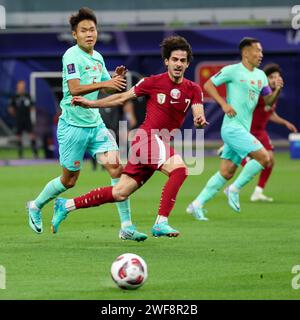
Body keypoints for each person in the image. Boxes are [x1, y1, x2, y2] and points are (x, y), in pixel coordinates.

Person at [51, 35, 207, 238]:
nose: (178, 64)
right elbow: (121, 98)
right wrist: (91, 103)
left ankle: (66, 205)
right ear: (166, 61)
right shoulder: (152, 82)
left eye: (182, 60)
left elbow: (198, 111)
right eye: (174, 59)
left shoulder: (193, 89)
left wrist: (199, 119)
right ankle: (161, 222)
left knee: (120, 192)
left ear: (187, 64)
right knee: (180, 170)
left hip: (158, 144)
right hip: (147, 138)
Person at [26, 7, 147, 242]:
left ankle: (126, 226)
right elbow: (75, 89)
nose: (89, 34)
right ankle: (36, 205)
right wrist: (106, 82)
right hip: (72, 126)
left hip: (95, 124)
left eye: (92, 29)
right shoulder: (71, 56)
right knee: (69, 181)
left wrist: (115, 80)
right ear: (75, 35)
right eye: (84, 30)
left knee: (116, 169)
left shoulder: (97, 57)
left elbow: (104, 87)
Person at [186, 37, 283, 220]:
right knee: (264, 157)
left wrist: (276, 90)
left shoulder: (261, 76)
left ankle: (196, 205)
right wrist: (223, 104)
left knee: (227, 171)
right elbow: (207, 84)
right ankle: (234, 189)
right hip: (232, 128)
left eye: (261, 51)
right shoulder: (233, 70)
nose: (261, 55)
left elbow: (267, 101)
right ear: (246, 52)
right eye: (257, 50)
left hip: (243, 129)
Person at [246, 63, 298, 202]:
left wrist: (285, 122)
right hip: (250, 131)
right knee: (261, 160)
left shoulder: (272, 94)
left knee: (270, 161)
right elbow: (266, 102)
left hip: (260, 132)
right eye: (271, 77)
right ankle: (235, 155)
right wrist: (278, 90)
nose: (275, 79)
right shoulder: (262, 92)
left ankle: (258, 192)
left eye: (277, 76)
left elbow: (270, 113)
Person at [7, 80, 38, 159]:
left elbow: (32, 106)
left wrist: (29, 111)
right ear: (18, 87)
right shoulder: (14, 97)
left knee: (32, 135)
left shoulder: (28, 96)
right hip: (19, 120)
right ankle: (20, 155)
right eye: (20, 86)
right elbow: (10, 108)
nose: (21, 88)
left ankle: (35, 154)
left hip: (27, 119)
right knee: (19, 136)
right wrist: (16, 115)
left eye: (23, 86)